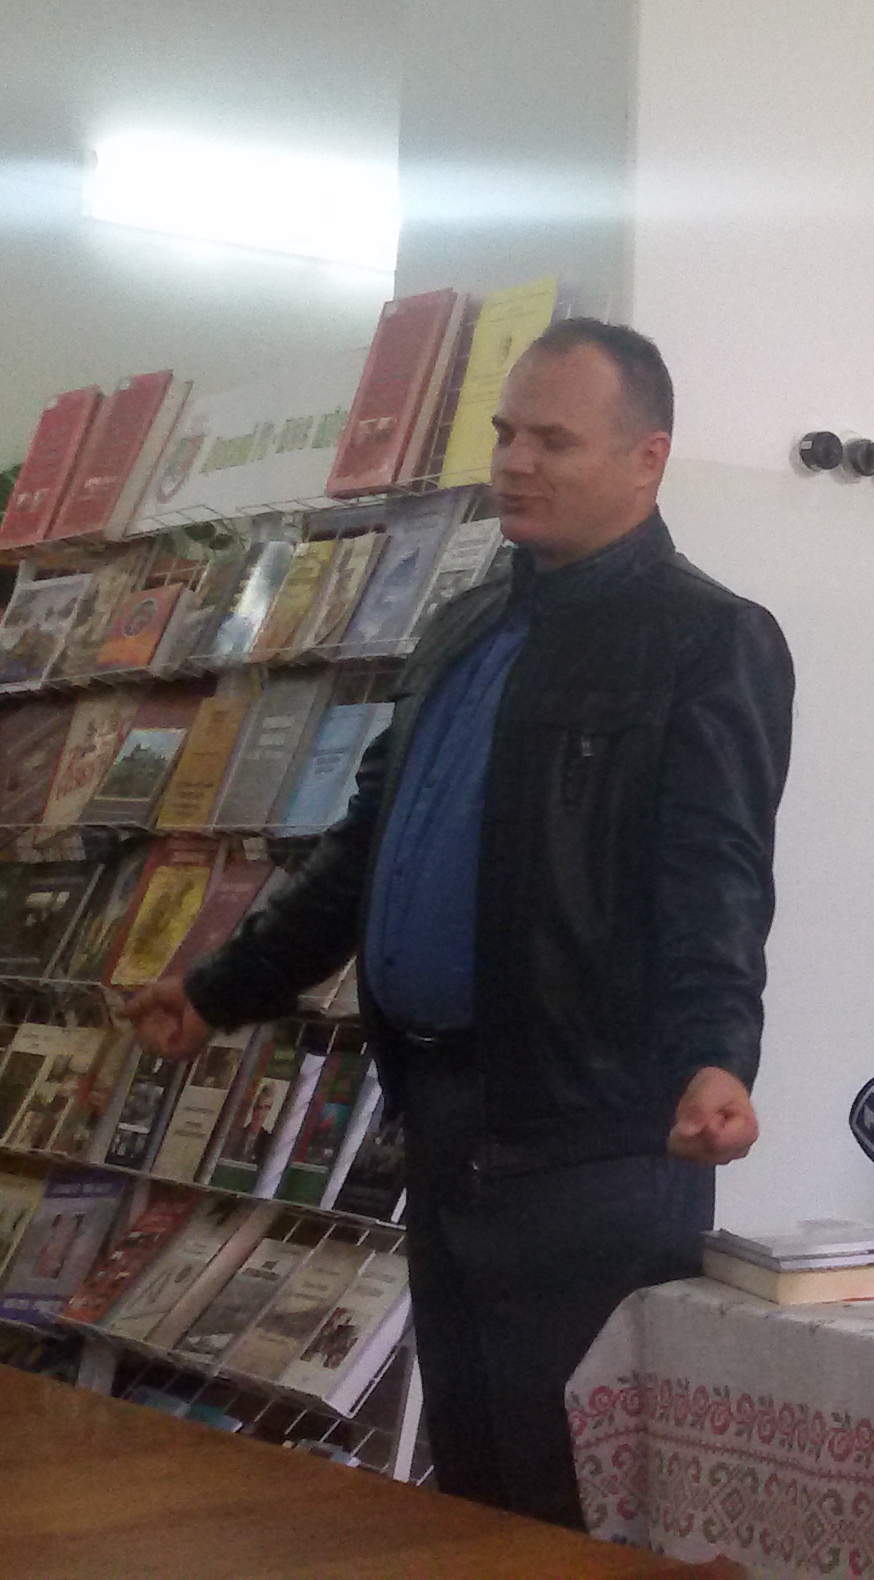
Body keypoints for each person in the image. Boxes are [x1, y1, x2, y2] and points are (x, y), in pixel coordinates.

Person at [123, 318, 794, 1526]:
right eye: (505, 433)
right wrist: (222, 989)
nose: (516, 462)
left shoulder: (709, 640)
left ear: (648, 458)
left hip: (588, 1141)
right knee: (474, 1487)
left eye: (554, 440)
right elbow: (365, 850)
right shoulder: (464, 628)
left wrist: (718, 1055)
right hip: (443, 1121)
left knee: (572, 1494)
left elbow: (718, 877)